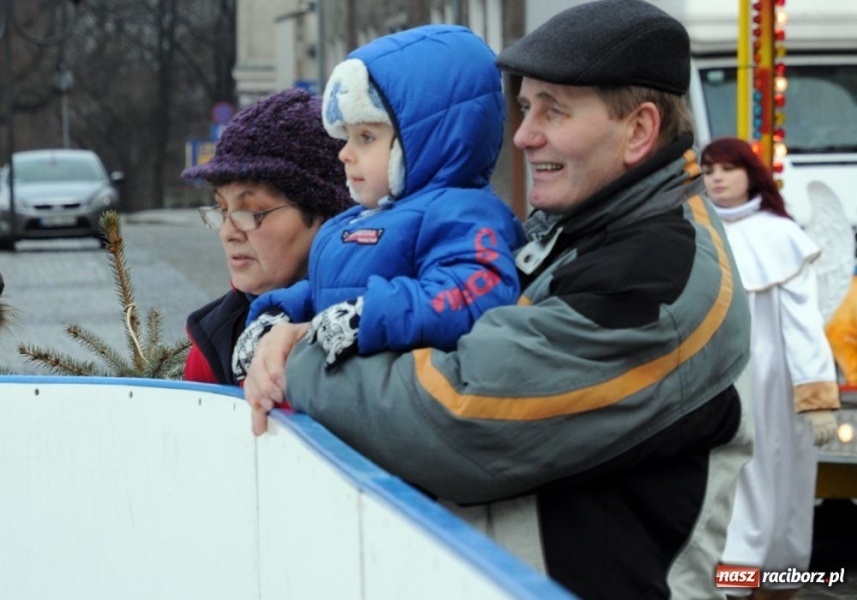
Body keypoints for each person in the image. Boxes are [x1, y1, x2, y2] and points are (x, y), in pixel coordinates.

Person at [245, 1, 753, 598]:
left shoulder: (657, 276)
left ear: (639, 130)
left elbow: (456, 415)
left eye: (554, 111)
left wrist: (295, 363)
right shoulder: (579, 229)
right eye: (525, 106)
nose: (523, 134)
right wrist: (301, 327)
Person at [238, 24, 525, 432]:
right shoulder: (354, 222)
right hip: (344, 415)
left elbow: (474, 290)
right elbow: (327, 290)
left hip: (407, 427)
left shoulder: (462, 213)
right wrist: (275, 314)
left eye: (366, 137)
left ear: (425, 139)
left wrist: (365, 316)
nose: (344, 152)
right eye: (346, 135)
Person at [701, 137, 840, 599]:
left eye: (727, 168)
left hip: (771, 387)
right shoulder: (696, 231)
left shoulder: (779, 235)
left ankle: (773, 584)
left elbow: (802, 324)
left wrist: (816, 397)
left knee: (779, 494)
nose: (716, 177)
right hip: (713, 383)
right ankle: (734, 587)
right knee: (731, 495)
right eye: (708, 169)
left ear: (750, 174)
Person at [180, 88, 353, 385]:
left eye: (252, 211)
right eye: (221, 209)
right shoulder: (214, 339)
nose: (228, 232)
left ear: (326, 216)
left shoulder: (372, 321)